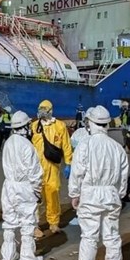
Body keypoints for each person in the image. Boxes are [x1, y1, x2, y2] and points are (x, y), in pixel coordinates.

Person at [69, 106, 130, 260]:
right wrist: (118, 194)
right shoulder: (117, 147)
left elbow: (77, 172)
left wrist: (74, 193)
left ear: (90, 123)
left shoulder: (85, 145)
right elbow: (123, 176)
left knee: (89, 235)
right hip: (111, 194)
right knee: (111, 236)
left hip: (91, 194)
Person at [0, 111, 44, 260]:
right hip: (24, 187)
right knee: (28, 221)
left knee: (9, 220)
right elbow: (35, 172)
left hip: (9, 186)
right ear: (25, 127)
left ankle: (8, 254)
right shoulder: (27, 146)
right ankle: (27, 257)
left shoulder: (8, 143)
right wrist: (37, 191)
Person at [31, 99, 73, 235]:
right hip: (36, 168)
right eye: (40, 109)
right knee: (35, 197)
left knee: (53, 193)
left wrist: (69, 163)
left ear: (51, 111)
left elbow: (66, 145)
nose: (42, 113)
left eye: (45, 110)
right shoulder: (34, 126)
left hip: (53, 167)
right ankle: (34, 225)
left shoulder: (59, 126)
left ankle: (53, 222)